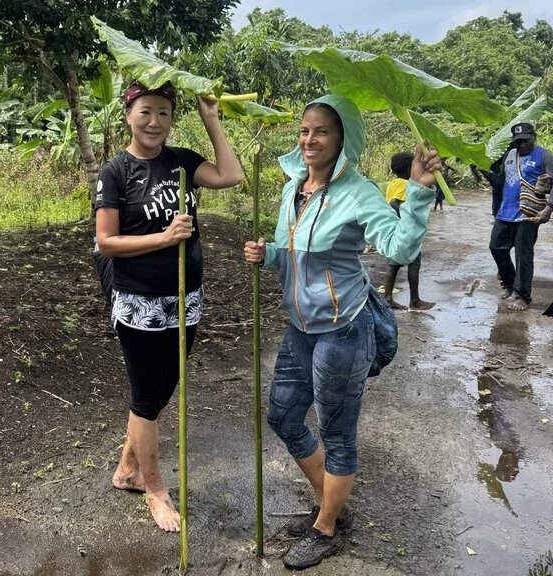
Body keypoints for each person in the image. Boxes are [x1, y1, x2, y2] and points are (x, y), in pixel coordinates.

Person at [243, 95, 441, 570]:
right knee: (284, 417)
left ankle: (326, 527)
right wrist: (268, 253)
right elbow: (294, 249)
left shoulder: (359, 192)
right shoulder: (295, 187)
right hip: (299, 328)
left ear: (342, 138)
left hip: (343, 330)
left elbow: (399, 245)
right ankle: (329, 502)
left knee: (337, 434)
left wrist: (417, 190)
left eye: (321, 132)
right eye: (304, 131)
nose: (309, 140)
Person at [95, 80, 241, 532]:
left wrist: (211, 119)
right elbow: (106, 241)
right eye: (145, 112)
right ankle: (155, 490)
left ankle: (126, 469)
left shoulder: (181, 161)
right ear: (128, 116)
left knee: (160, 394)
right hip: (139, 301)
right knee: (146, 398)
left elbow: (230, 175)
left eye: (163, 113)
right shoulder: (115, 172)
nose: (155, 122)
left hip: (185, 299)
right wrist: (165, 237)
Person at [487, 122, 553, 311]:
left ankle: (523, 297)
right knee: (496, 247)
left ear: (534, 137)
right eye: (518, 142)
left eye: (526, 140)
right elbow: (501, 182)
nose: (522, 145)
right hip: (505, 212)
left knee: (523, 256)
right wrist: (486, 173)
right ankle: (510, 283)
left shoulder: (545, 155)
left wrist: (548, 209)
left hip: (528, 214)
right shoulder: (510, 155)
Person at [382, 151, 436, 311]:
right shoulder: (405, 184)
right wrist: (405, 219)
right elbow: (394, 204)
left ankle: (387, 296)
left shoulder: (392, 183)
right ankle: (414, 300)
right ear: (408, 168)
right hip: (405, 232)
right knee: (414, 263)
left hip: (394, 231)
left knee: (393, 265)